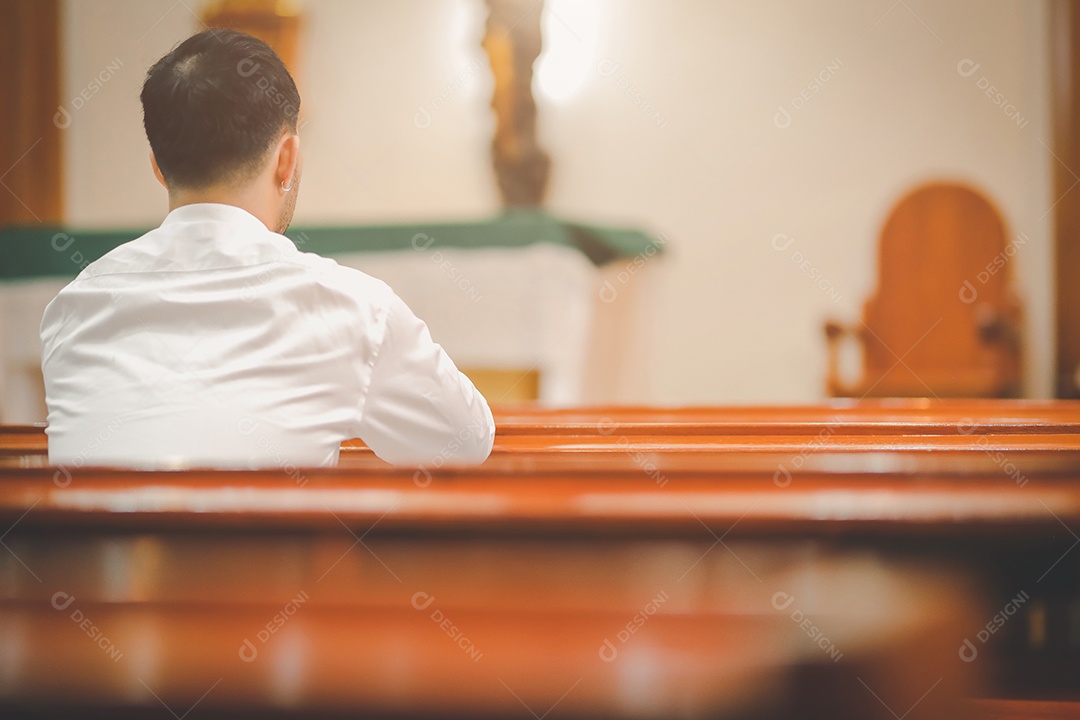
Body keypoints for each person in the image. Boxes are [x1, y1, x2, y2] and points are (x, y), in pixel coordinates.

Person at [40, 29, 494, 470]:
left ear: (158, 167)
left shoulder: (73, 309)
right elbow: (467, 443)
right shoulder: (353, 309)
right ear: (287, 159)